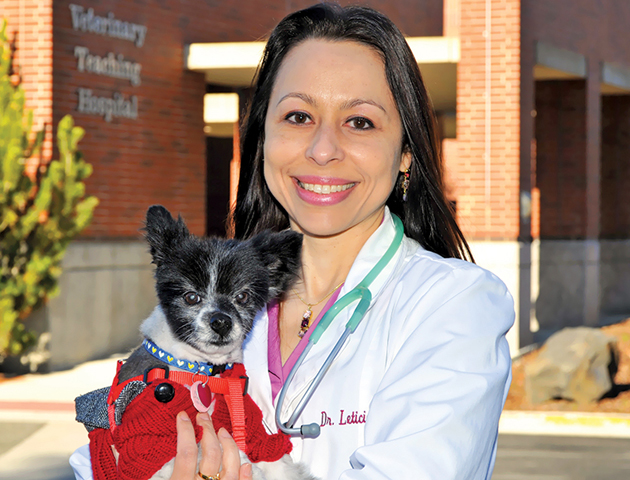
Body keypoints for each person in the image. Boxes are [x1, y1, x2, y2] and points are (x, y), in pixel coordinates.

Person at [71, 3, 513, 480]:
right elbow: (99, 459)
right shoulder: (218, 297)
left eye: (360, 121)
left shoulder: (453, 306)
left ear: (406, 152)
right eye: (298, 116)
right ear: (262, 138)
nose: (323, 149)